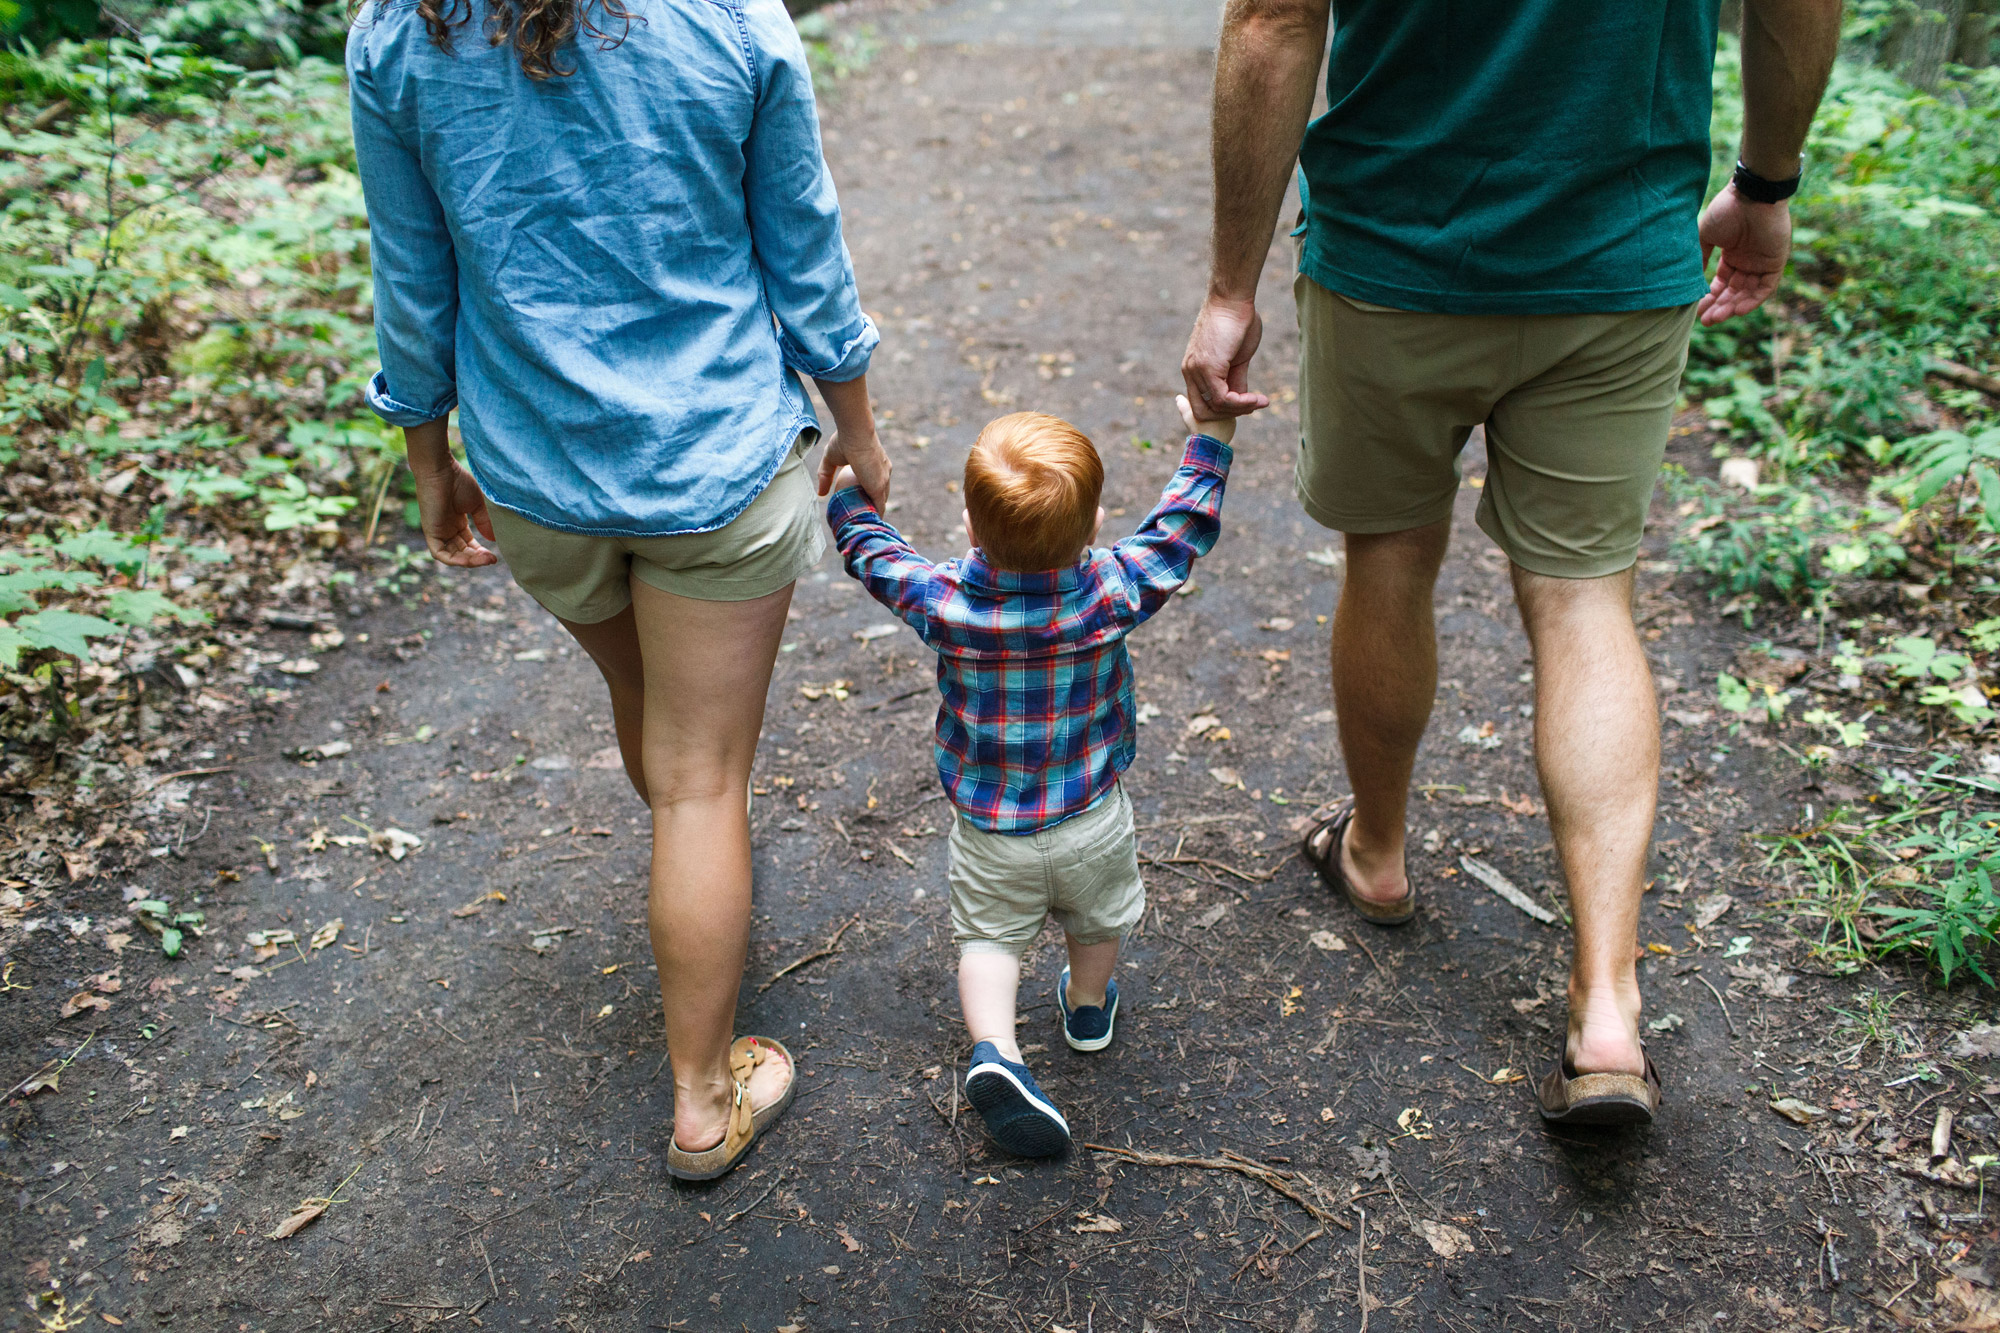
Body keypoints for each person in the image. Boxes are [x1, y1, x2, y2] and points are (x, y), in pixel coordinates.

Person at [1182, 0, 1841, 1125]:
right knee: (1584, 598)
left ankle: (1377, 852)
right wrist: (1766, 185)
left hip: (1393, 253)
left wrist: (1229, 289)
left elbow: (1269, 22)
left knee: (1387, 553)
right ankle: (1603, 1010)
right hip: (1618, 257)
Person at [347, 0, 892, 1178]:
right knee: (701, 779)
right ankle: (702, 1097)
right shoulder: (732, 22)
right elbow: (800, 237)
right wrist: (854, 420)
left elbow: (412, 267)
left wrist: (427, 458)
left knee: (652, 715)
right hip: (715, 464)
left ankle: (694, 899)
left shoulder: (402, 32)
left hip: (538, 475)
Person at [826, 398, 1233, 1155]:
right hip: (1090, 818)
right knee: (1100, 917)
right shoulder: (1110, 593)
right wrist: (1211, 439)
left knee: (987, 939)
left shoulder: (946, 602)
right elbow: (1180, 531)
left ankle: (997, 1050)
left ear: (972, 528)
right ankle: (1085, 1008)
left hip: (989, 830)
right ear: (1094, 524)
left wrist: (851, 492)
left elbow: (873, 554)